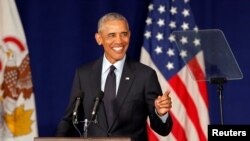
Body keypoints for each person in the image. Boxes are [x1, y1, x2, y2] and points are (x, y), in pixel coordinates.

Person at [56, 12, 173, 141]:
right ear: (99, 39)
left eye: (124, 34)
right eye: (112, 35)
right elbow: (70, 120)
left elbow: (162, 129)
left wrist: (161, 114)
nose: (119, 41)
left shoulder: (145, 75)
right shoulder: (83, 74)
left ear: (130, 35)